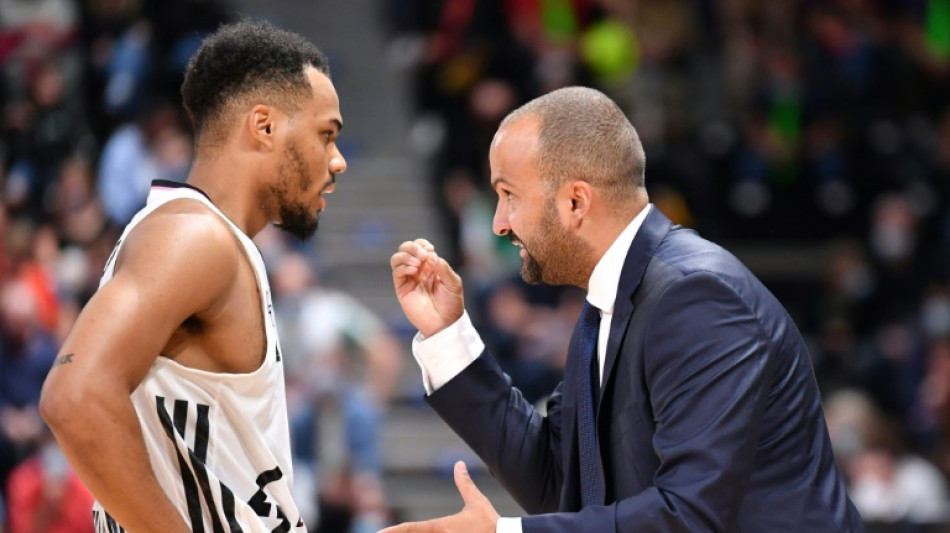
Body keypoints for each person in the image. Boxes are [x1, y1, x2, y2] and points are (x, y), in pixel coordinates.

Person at [386, 87, 864, 532]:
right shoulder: (611, 304)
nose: (499, 223)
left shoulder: (696, 297)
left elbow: (691, 514)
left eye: (509, 195)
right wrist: (448, 336)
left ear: (575, 202)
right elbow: (557, 481)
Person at [38, 20, 347, 533]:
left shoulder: (202, 239)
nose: (337, 161)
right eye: (326, 135)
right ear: (264, 126)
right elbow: (74, 397)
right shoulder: (194, 239)